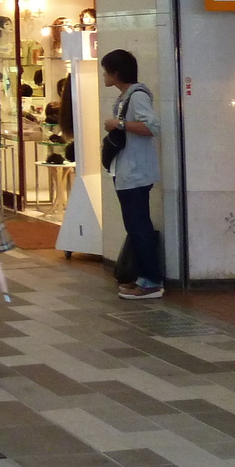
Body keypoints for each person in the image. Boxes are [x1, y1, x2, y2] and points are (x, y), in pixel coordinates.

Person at [101, 49, 163, 300]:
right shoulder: (126, 96)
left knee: (139, 226)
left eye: (107, 70)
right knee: (134, 225)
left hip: (136, 172)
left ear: (117, 73)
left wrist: (120, 124)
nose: (104, 75)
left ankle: (151, 281)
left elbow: (153, 126)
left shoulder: (136, 97)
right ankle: (142, 277)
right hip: (127, 171)